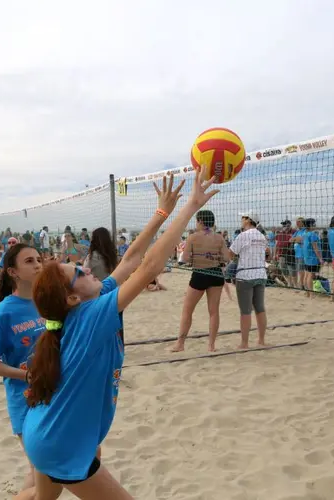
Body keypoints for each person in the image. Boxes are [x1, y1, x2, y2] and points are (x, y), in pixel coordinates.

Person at [14, 171, 217, 499]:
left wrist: (161, 213)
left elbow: (131, 259)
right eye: (78, 273)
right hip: (57, 442)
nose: (86, 268)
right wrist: (190, 207)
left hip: (47, 433)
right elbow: (149, 267)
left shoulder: (87, 304)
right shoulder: (93, 314)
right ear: (71, 298)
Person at [0, 243, 44, 495]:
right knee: (40, 472)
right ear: (12, 272)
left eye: (39, 259)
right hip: (24, 400)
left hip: (53, 393)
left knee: (41, 472)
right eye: (29, 261)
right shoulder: (4, 313)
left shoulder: (47, 300)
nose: (38, 264)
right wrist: (26, 374)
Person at [171, 210, 230, 353]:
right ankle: (211, 346)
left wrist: (193, 258)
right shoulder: (219, 237)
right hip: (215, 274)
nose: (196, 224)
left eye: (197, 221)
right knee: (214, 312)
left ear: (201, 222)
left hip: (199, 274)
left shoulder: (193, 237)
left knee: (187, 310)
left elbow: (184, 259)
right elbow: (226, 258)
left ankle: (180, 344)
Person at [229, 210, 268, 349]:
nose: (241, 219)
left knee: (245, 311)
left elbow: (230, 254)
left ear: (248, 220)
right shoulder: (262, 236)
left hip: (245, 276)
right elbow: (266, 253)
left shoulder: (242, 236)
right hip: (261, 274)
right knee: (260, 308)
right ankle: (261, 340)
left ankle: (244, 343)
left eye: (243, 217)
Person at [302, 218, 323, 298]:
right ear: (310, 225)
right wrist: (320, 259)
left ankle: (307, 293)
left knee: (307, 275)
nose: (315, 225)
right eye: (314, 224)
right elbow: (315, 248)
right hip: (312, 258)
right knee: (310, 276)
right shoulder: (313, 234)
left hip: (307, 257)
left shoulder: (305, 233)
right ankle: (311, 294)